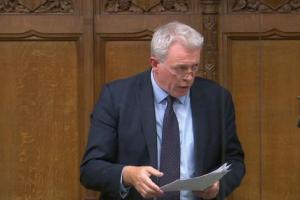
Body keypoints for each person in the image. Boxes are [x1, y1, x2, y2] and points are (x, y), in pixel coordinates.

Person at [80, 21, 245, 200]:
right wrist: (128, 175)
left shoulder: (216, 98)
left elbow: (235, 161)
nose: (189, 77)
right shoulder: (117, 97)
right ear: (155, 63)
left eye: (194, 67)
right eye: (180, 68)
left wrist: (219, 186)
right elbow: (91, 170)